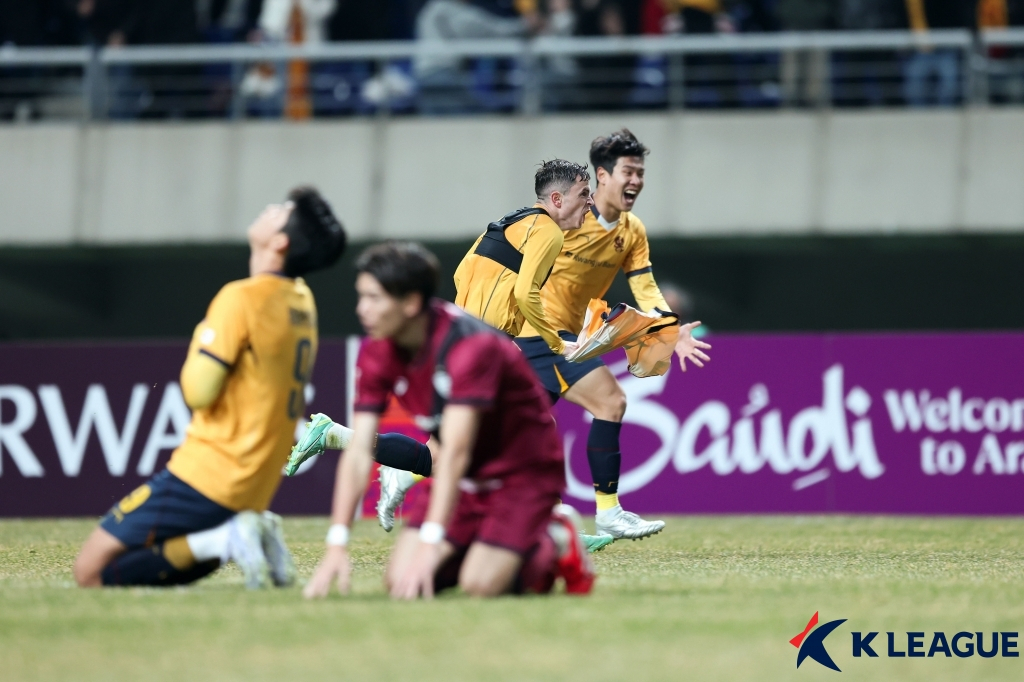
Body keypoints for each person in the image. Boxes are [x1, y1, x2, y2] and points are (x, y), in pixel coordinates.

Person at [72, 187, 346, 589]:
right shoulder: (302, 300)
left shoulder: (240, 298)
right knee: (162, 557)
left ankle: (231, 537)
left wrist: (204, 335)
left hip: (211, 470)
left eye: (281, 211)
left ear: (280, 242)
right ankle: (237, 535)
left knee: (90, 572)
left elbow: (197, 392)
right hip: (257, 483)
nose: (270, 207)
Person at [303, 242, 594, 599]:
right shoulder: (378, 351)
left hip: (522, 473)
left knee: (480, 585)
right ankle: (480, 547)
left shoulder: (470, 346)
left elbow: (455, 450)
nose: (362, 309)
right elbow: (360, 451)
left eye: (374, 298)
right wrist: (337, 542)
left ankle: (554, 537)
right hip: (465, 476)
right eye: (361, 296)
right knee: (400, 583)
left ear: (411, 303)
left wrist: (431, 541)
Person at [512, 128, 710, 540]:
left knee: (510, 429)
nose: (636, 180)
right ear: (602, 176)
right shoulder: (566, 218)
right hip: (538, 332)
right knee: (607, 402)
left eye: (641, 172)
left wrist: (673, 330)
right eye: (628, 172)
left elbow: (646, 288)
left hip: (570, 337)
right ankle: (605, 513)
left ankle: (406, 471)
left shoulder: (631, 231)